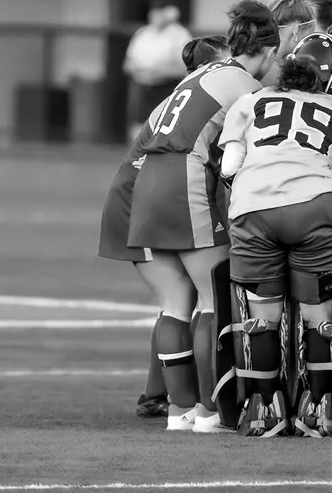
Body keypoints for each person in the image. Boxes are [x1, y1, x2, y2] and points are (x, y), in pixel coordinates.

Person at [127, 0, 280, 433]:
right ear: (268, 53)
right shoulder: (245, 86)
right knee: (213, 299)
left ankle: (179, 411)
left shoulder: (198, 74)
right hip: (184, 177)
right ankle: (211, 413)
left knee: (175, 305)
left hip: (150, 179)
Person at [218, 34, 332, 438]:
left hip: (255, 209)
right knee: (318, 317)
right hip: (317, 207)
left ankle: (266, 407)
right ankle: (317, 407)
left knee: (262, 318)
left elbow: (230, 165)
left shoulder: (249, 102)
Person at [99, 35, 230, 419]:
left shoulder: (180, 99)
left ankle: (165, 398)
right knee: (188, 298)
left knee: (177, 300)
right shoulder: (209, 102)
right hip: (142, 200)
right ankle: (188, 403)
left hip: (141, 197)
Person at [124, 0, 193, 142]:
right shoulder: (142, 34)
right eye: (154, 11)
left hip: (166, 88)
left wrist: (158, 73)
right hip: (141, 86)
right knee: (138, 125)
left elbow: (185, 67)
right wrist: (141, 72)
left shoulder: (180, 35)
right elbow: (128, 63)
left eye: (160, 11)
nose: (155, 15)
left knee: (164, 127)